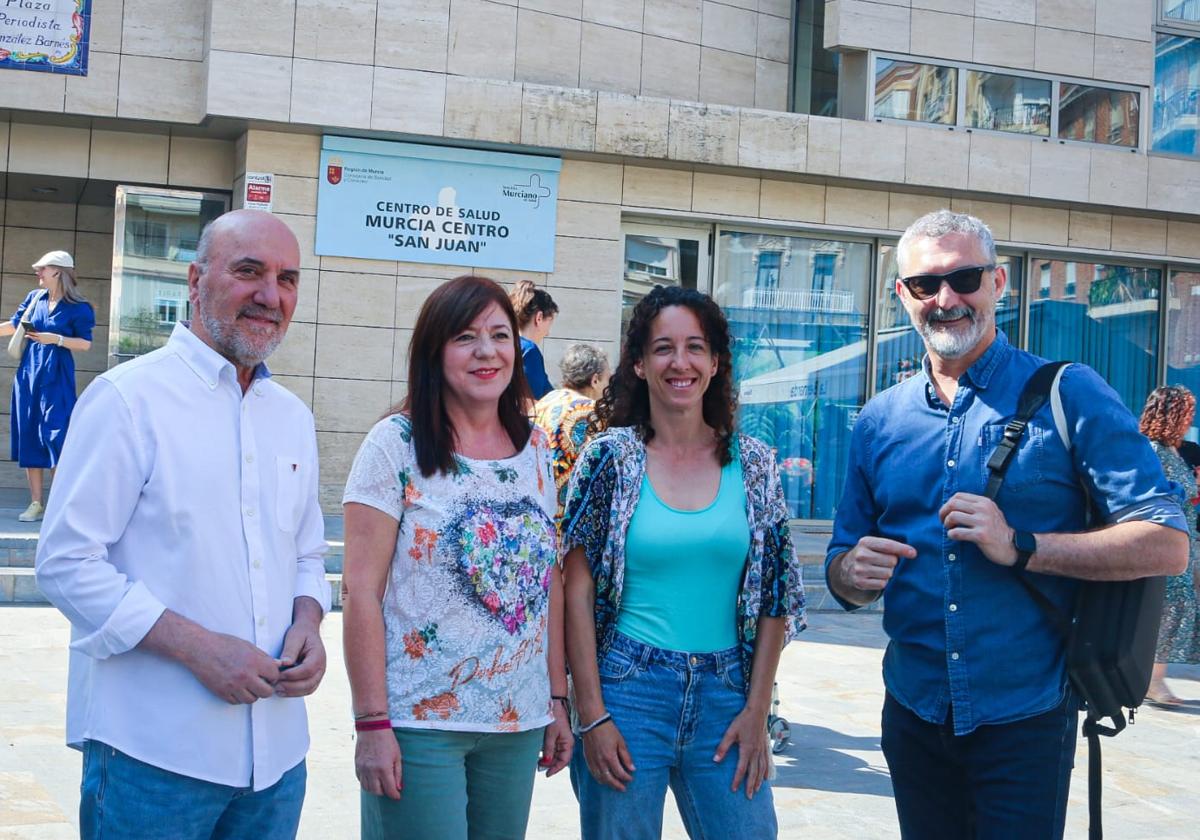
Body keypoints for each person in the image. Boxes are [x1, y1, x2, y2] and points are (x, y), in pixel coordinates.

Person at [825, 209, 1189, 840]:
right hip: (912, 711)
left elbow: (1167, 544)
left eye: (965, 278)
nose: (946, 299)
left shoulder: (1067, 393)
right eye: (925, 285)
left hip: (1024, 715)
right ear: (900, 296)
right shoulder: (878, 421)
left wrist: (1020, 544)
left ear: (998, 284)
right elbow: (842, 570)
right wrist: (851, 573)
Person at [35, 210, 330, 840]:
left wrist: (308, 620)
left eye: (287, 279)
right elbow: (65, 563)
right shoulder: (126, 402)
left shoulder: (292, 418)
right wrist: (199, 649)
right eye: (248, 271)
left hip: (277, 760)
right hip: (153, 756)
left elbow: (305, 552)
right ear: (196, 280)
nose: (270, 295)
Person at [561, 285, 805, 840]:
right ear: (640, 364)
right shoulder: (609, 460)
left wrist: (757, 711)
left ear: (716, 364)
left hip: (727, 695)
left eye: (695, 348)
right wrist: (591, 712)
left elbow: (774, 597)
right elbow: (574, 590)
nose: (681, 362)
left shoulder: (756, 464)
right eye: (664, 348)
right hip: (627, 691)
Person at [342, 274, 573, 840]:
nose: (488, 351)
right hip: (419, 722)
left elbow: (550, 584)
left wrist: (557, 697)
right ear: (434, 350)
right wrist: (371, 723)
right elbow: (360, 593)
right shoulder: (396, 444)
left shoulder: (537, 449)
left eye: (500, 335)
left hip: (516, 722)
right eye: (466, 337)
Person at [0, 250, 95, 522]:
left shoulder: (79, 307)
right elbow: (15, 325)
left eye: (42, 268)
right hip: (29, 375)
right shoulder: (35, 298)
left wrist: (56, 339)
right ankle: (36, 503)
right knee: (29, 433)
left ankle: (62, 503)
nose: (37, 273)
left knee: (57, 436)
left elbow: (85, 343)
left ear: (58, 271)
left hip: (57, 376)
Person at [1139, 385, 1200, 707]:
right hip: (1167, 541)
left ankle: (1153, 678)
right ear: (1170, 414)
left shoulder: (1177, 451)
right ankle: (1152, 680)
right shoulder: (1152, 451)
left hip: (1189, 541)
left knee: (1180, 608)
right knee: (1170, 609)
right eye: (1186, 412)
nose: (1191, 418)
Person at [533, 342, 611, 520]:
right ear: (595, 380)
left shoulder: (545, 402)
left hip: (537, 512)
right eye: (607, 379)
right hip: (567, 521)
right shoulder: (593, 413)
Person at [509, 279, 558, 400]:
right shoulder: (529, 351)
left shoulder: (507, 344)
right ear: (539, 318)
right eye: (549, 324)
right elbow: (531, 406)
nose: (548, 333)